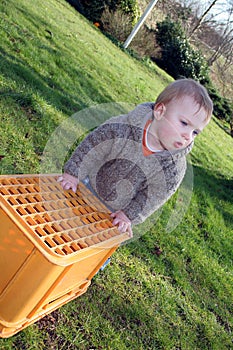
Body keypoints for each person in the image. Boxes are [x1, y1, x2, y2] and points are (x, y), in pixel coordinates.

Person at [58, 78, 213, 238]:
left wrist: (128, 215)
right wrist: (73, 173)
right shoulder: (122, 128)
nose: (188, 136)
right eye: (184, 123)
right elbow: (93, 147)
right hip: (86, 185)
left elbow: (154, 195)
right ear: (160, 111)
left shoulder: (173, 168)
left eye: (195, 132)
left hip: (114, 213)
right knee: (62, 222)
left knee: (95, 244)